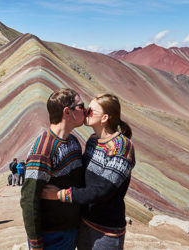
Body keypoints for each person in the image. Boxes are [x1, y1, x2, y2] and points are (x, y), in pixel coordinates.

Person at [42, 94, 135, 250]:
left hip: (106, 230)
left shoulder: (122, 147)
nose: (85, 111)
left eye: (91, 110)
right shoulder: (93, 141)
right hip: (84, 223)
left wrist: (60, 195)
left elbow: (103, 190)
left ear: (104, 118)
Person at [20, 88, 86, 250]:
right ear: (67, 112)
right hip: (52, 237)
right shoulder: (43, 150)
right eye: (80, 106)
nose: (85, 110)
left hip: (71, 230)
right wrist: (36, 243)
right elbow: (29, 199)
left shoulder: (73, 142)